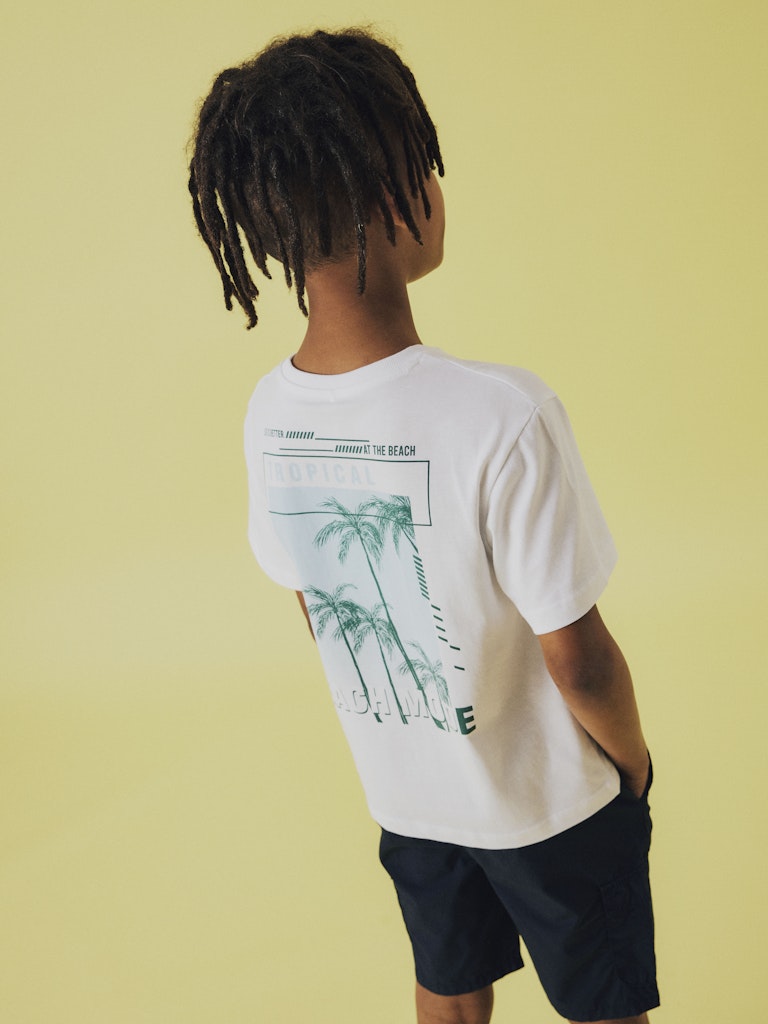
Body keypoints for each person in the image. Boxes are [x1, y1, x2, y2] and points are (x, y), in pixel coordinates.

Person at [188, 27, 659, 1024]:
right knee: (607, 1006)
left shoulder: (271, 415)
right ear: (391, 194)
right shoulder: (502, 415)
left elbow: (319, 604)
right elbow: (578, 657)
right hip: (550, 804)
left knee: (447, 990)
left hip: (409, 799)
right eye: (424, 165)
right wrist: (630, 761)